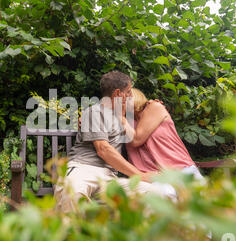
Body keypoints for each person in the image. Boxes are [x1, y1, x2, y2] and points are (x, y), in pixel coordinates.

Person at [54, 71, 177, 213]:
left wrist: (150, 104)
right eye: (129, 92)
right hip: (84, 168)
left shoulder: (122, 118)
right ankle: (69, 234)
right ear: (119, 94)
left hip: (109, 178)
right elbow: (103, 149)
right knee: (72, 192)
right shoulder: (95, 112)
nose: (131, 96)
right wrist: (138, 175)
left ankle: (142, 235)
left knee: (158, 194)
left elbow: (139, 131)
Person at [122, 88, 205, 181]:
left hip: (181, 170)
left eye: (123, 98)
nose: (119, 103)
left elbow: (136, 140)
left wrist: (120, 117)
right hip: (153, 179)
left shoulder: (154, 107)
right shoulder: (127, 122)